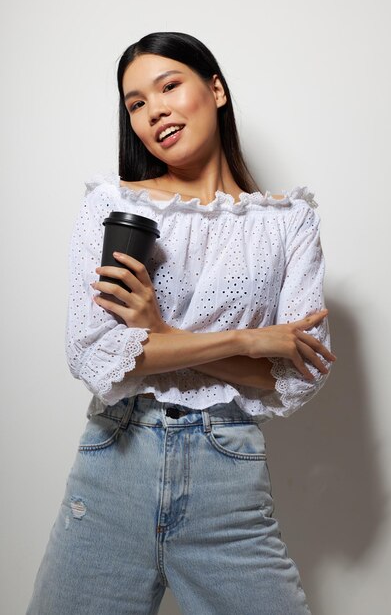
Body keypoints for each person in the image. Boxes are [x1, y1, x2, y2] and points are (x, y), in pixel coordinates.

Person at [27, 31, 335, 615]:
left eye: (169, 86)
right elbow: (93, 352)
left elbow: (296, 375)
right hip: (116, 462)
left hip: (228, 477)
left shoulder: (289, 221)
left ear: (215, 89)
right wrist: (249, 342)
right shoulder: (115, 206)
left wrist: (159, 331)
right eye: (136, 104)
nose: (155, 112)